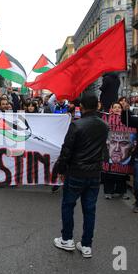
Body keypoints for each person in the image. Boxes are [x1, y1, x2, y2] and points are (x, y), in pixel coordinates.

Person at [52, 94, 109, 258]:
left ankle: (67, 239)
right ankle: (86, 245)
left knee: (68, 205)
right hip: (94, 173)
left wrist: (61, 170)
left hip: (76, 172)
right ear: (97, 106)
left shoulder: (76, 125)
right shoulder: (104, 126)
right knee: (90, 210)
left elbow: (66, 150)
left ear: (81, 107)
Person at [102, 102, 132, 200]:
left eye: (119, 107)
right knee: (109, 170)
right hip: (110, 148)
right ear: (111, 109)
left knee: (122, 171)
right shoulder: (106, 118)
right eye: (115, 107)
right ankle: (108, 191)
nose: (117, 109)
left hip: (122, 149)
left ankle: (121, 191)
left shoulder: (126, 119)